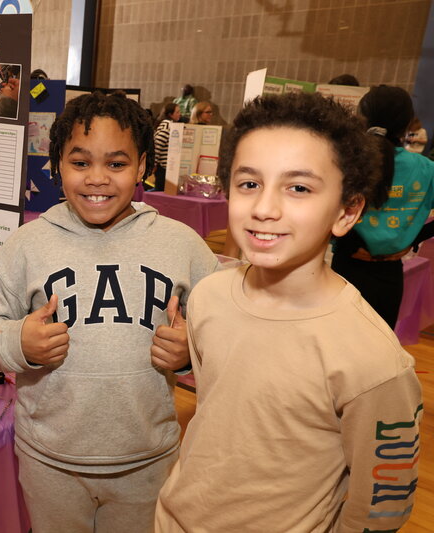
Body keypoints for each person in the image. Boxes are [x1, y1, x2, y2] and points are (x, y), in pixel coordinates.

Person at [154, 92, 422, 532]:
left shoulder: (373, 362)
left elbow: (382, 507)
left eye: (298, 188)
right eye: (249, 183)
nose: (264, 208)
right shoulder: (209, 298)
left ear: (347, 210)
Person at [0, 91, 218, 533]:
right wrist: (18, 341)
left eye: (116, 164)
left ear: (141, 167)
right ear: (57, 165)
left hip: (147, 460)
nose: (97, 178)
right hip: (50, 462)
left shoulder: (182, 244)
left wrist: (192, 350)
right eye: (80, 163)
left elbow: (224, 331)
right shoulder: (27, 244)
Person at [332, 85, 434, 327]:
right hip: (389, 276)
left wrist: (349, 242)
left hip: (346, 268)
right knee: (378, 350)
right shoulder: (425, 169)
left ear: (362, 117)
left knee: (334, 345)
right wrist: (414, 237)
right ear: (409, 123)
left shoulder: (344, 161)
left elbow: (316, 208)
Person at [150, 103, 181, 191]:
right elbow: (157, 146)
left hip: (167, 167)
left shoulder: (170, 125)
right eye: (177, 112)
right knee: (161, 192)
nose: (180, 114)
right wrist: (154, 164)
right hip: (164, 168)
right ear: (170, 114)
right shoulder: (167, 126)